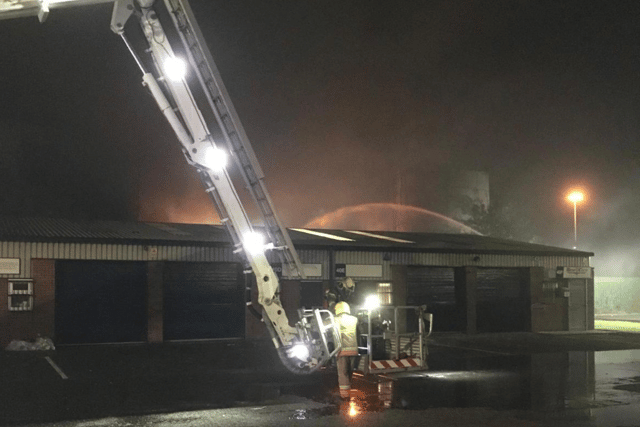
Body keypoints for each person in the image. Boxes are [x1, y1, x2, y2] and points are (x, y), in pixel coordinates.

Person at [334, 301, 359, 399]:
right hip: (354, 350)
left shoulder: (336, 320)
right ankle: (349, 390)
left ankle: (345, 396)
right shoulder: (354, 319)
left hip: (342, 351)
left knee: (343, 373)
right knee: (350, 372)